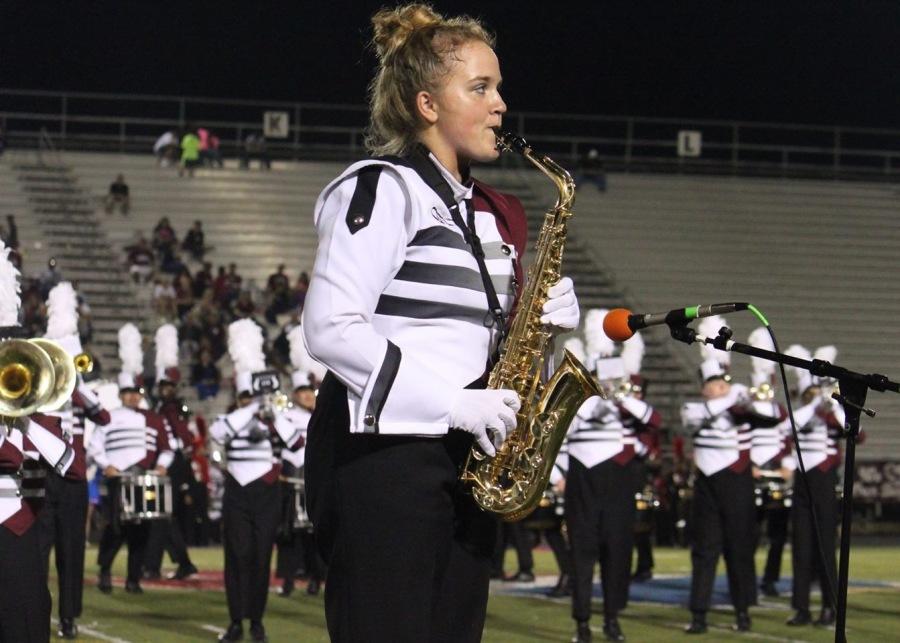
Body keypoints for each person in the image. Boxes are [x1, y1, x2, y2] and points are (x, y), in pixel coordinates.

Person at [301, 5, 580, 642]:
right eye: (479, 88)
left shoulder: (490, 216)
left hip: (464, 463)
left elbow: (478, 346)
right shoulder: (383, 187)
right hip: (384, 462)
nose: (500, 105)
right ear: (427, 104)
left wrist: (539, 322)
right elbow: (331, 328)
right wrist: (451, 403)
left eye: (499, 87)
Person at [558, 312, 660, 643]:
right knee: (582, 551)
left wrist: (619, 395)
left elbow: (651, 420)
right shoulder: (577, 380)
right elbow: (561, 425)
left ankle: (612, 618)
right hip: (581, 472)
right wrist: (590, 397)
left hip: (617, 474)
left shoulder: (622, 385)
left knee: (617, 550)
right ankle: (582, 622)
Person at [680, 317, 781, 635]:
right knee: (704, 552)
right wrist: (734, 394)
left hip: (738, 486)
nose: (721, 388)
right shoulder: (694, 409)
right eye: (715, 385)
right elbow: (701, 417)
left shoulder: (741, 409)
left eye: (724, 383)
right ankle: (698, 614)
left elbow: (772, 418)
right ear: (704, 387)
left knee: (740, 549)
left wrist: (753, 397)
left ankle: (742, 611)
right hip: (707, 488)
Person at [0, 241, 77, 642]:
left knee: (26, 616)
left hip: (20, 526)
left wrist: (24, 420)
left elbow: (73, 468)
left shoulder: (37, 413)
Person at [209, 320, 304, 643]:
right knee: (236, 556)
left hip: (266, 494)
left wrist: (272, 413)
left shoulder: (275, 418)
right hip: (237, 491)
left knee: (262, 556)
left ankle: (257, 621)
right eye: (246, 395)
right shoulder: (233, 418)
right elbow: (217, 433)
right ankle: (236, 620)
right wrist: (250, 409)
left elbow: (296, 446)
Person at [38, 282, 111, 639]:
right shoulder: (37, 385)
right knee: (37, 550)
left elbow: (102, 416)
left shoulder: (82, 391)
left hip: (73, 478)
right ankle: (34, 609)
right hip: (41, 473)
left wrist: (74, 381)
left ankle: (69, 616)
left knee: (71, 550)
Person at [87, 324, 174, 595]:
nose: (133, 397)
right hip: (118, 479)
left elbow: (167, 448)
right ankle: (104, 572)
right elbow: (94, 445)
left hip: (144, 479)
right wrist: (106, 466)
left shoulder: (153, 419)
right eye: (129, 393)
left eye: (137, 393)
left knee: (141, 533)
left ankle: (133, 578)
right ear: (121, 394)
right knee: (114, 531)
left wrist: (161, 466)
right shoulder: (108, 416)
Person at [783, 344, 845, 627]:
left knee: (825, 547)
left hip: (823, 479)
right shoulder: (804, 410)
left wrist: (832, 401)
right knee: (801, 546)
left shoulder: (833, 411)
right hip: (802, 479)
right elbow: (788, 427)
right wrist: (812, 402)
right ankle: (801, 608)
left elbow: (851, 429)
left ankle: (830, 608)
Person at [144, 325, 199, 582]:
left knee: (161, 515)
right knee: (161, 515)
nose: (166, 389)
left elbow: (186, 439)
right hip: (160, 461)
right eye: (163, 385)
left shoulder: (177, 408)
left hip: (174, 463)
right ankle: (182, 562)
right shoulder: (157, 406)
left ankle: (155, 564)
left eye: (169, 385)